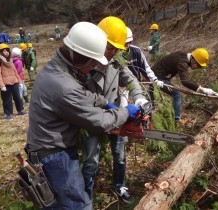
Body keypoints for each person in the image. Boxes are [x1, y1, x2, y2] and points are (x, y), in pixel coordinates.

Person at [25, 21, 140, 209]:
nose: (95, 66)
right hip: (54, 156)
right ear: (80, 56)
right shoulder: (64, 86)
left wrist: (103, 101)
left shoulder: (56, 68)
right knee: (77, 205)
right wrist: (125, 112)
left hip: (47, 148)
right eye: (94, 62)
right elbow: (100, 122)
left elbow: (82, 94)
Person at [82, 17, 148, 204]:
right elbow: (80, 93)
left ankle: (119, 185)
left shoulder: (116, 61)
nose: (113, 52)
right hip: (92, 116)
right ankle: (87, 194)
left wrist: (139, 97)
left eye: (116, 49)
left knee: (119, 155)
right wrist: (105, 103)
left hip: (115, 115)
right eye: (109, 48)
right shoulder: (85, 61)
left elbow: (131, 79)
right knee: (91, 160)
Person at [151, 48, 217, 122]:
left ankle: (152, 109)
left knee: (152, 96)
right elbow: (185, 81)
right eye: (198, 66)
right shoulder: (182, 63)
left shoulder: (182, 55)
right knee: (177, 95)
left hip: (156, 74)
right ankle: (176, 119)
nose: (197, 68)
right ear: (193, 60)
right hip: (156, 77)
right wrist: (202, 89)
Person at [125, 27, 164, 104]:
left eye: (127, 43)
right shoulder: (114, 53)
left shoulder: (136, 51)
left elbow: (145, 68)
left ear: (130, 42)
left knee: (139, 105)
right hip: (121, 87)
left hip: (135, 84)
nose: (125, 45)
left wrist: (154, 80)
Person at [0, 43, 27, 120]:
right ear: (1, 52)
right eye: (4, 51)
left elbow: (15, 72)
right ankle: (8, 114)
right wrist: (2, 85)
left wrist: (19, 82)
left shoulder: (10, 60)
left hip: (14, 81)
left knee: (17, 97)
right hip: (5, 84)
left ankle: (20, 110)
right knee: (7, 100)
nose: (6, 52)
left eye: (7, 50)